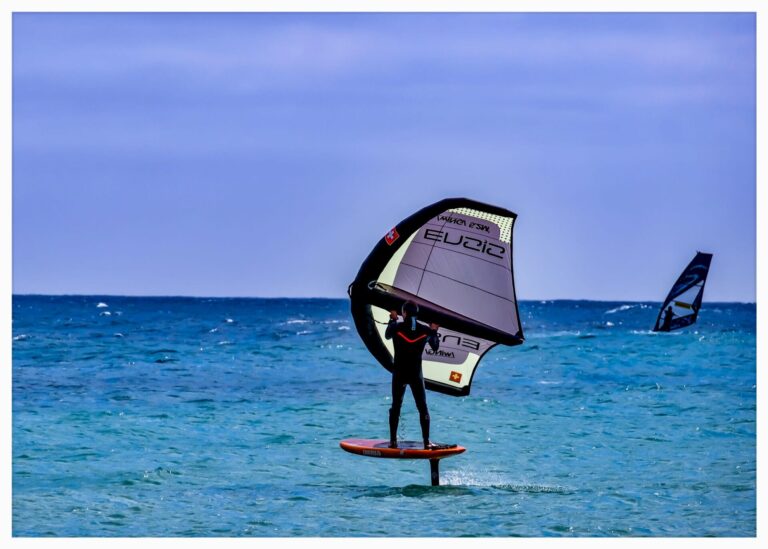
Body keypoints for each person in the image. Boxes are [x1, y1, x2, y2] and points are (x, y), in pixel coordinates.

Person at [385, 301, 440, 449]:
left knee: (396, 407)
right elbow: (435, 346)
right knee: (422, 407)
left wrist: (393, 319)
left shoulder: (397, 327)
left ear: (404, 313)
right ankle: (427, 442)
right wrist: (434, 330)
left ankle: (393, 441)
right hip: (416, 374)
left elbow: (387, 335)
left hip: (400, 374)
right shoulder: (424, 330)